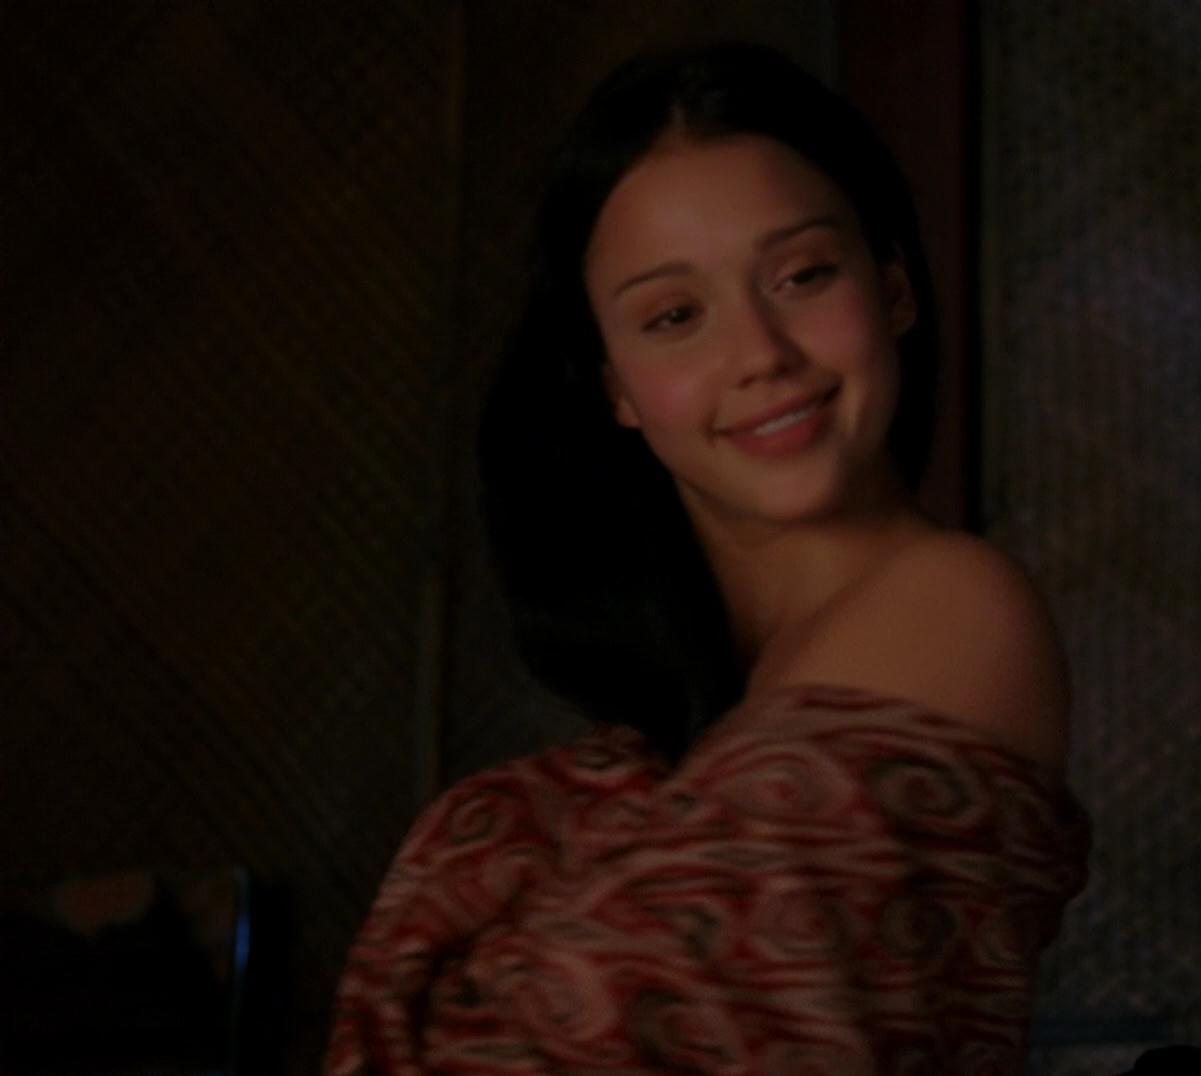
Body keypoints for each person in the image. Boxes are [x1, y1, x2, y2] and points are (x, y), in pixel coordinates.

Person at [324, 42, 1088, 1075]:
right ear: (616, 387)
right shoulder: (677, 723)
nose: (762, 353)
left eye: (804, 275)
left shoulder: (952, 605)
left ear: (894, 288)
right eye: (676, 316)